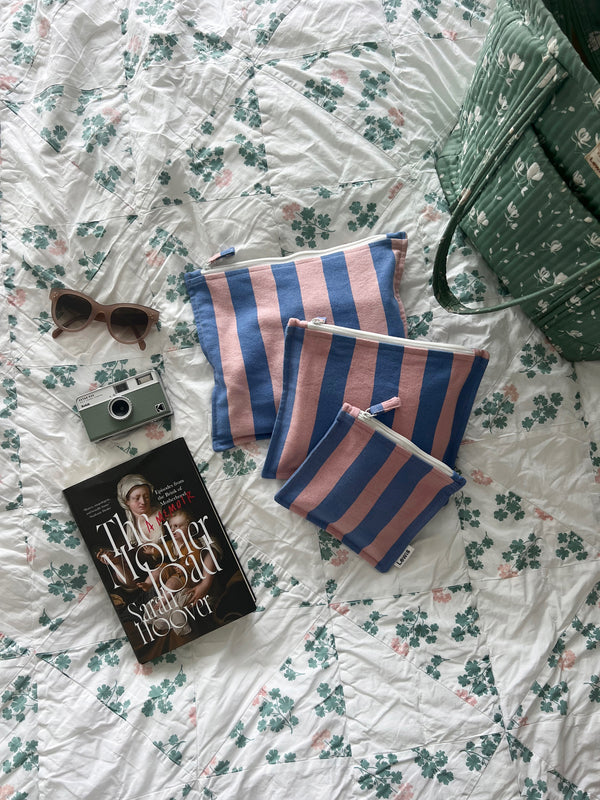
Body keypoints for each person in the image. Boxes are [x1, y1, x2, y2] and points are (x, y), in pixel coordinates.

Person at [116, 473, 162, 546]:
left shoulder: (162, 515)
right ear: (126, 501)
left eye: (146, 497)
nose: (143, 502)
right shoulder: (127, 531)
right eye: (137, 498)